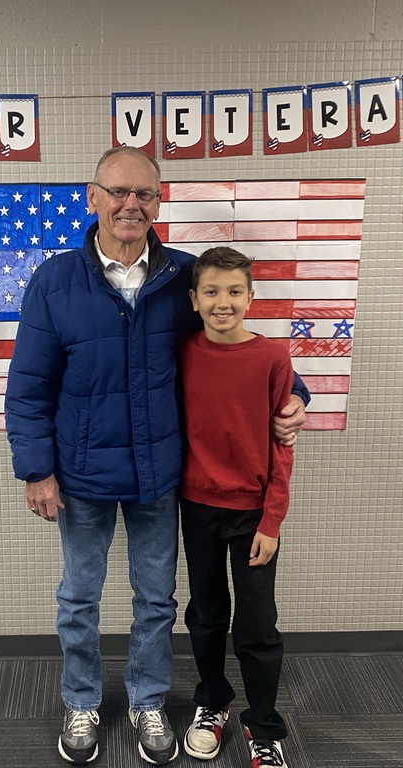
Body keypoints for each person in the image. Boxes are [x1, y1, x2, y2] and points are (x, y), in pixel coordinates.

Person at [4, 146, 309, 766]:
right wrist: (37, 469)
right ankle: (81, 699)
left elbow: (239, 347)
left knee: (156, 601)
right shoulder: (55, 280)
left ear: (158, 201)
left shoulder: (183, 280)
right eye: (117, 192)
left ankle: (148, 699)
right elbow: (28, 386)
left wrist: (296, 395)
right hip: (82, 474)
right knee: (79, 597)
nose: (129, 204)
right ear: (93, 198)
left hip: (159, 475)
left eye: (143, 194)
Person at [177, 247, 294, 768]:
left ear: (251, 296)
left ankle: (263, 725)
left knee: (256, 623)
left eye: (234, 291)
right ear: (194, 300)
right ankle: (213, 701)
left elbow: (281, 445)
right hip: (197, 506)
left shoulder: (273, 358)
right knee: (205, 614)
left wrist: (272, 520)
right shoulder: (181, 352)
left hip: (253, 515)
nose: (223, 302)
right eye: (211, 292)